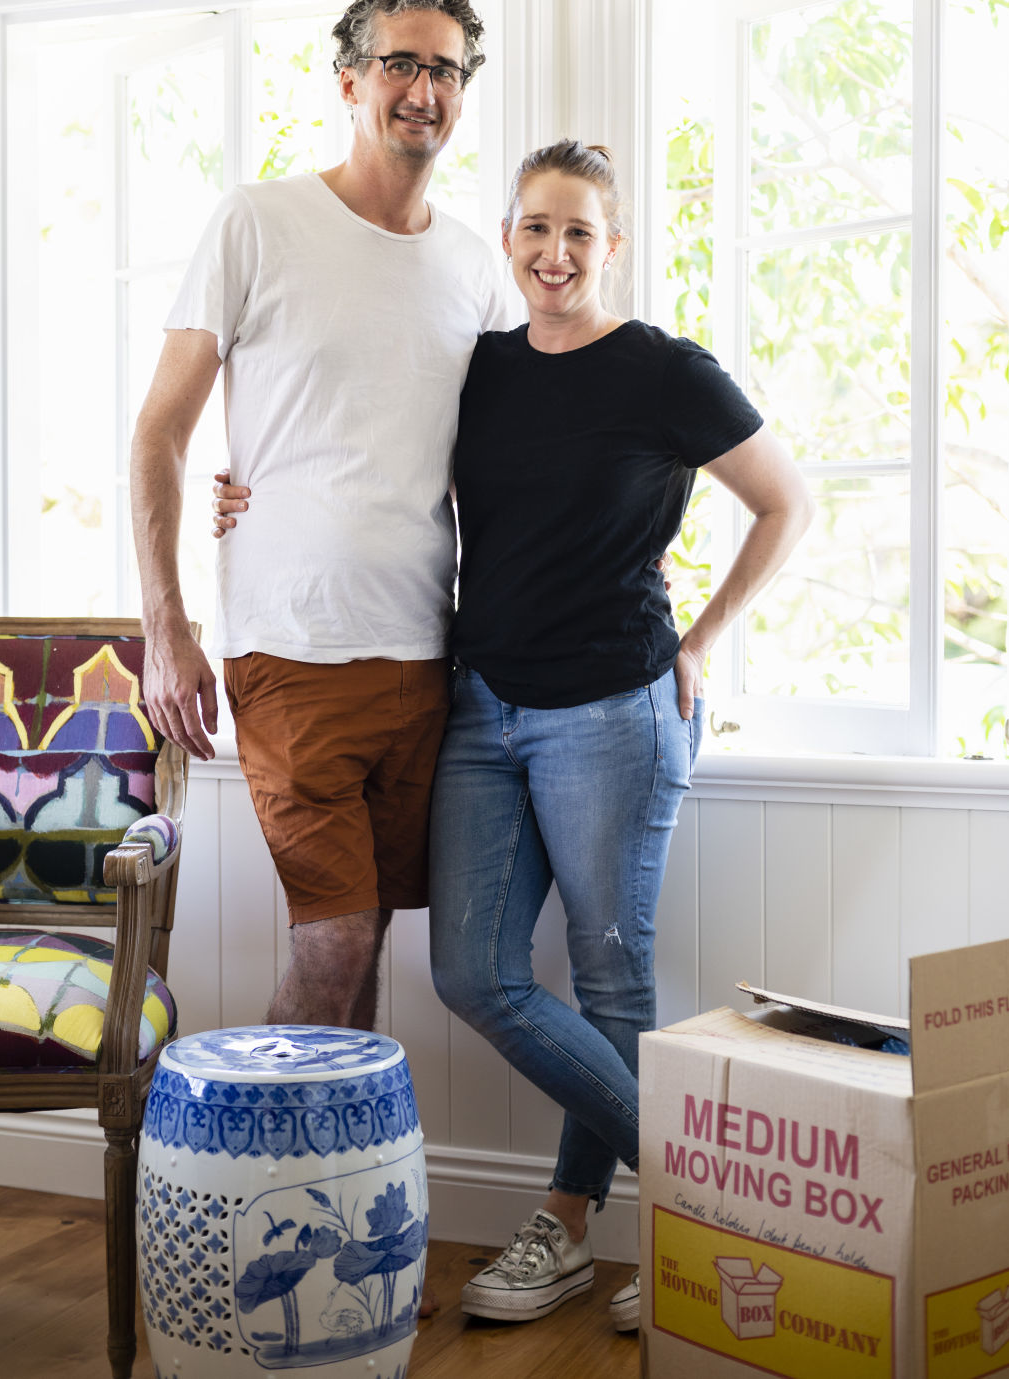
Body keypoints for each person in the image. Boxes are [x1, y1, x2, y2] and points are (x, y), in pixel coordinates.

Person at [423, 140, 813, 1333]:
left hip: (614, 711)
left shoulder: (660, 371)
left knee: (606, 979)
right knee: (474, 972)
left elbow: (786, 500)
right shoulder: (478, 370)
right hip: (484, 708)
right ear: (507, 238)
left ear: (613, 245)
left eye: (579, 234)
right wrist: (245, 490)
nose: (554, 254)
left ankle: (577, 1227)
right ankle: (716, 1211)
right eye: (535, 229)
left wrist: (700, 642)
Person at [130, 0, 507, 1037]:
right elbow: (160, 431)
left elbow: (497, 462)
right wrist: (168, 628)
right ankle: (252, 1195)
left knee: (372, 932)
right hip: (290, 649)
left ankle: (341, 1200)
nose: (423, 89)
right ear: (349, 80)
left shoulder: (477, 272)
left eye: (445, 68)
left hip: (427, 657)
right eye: (401, 63)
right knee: (332, 938)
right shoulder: (258, 222)